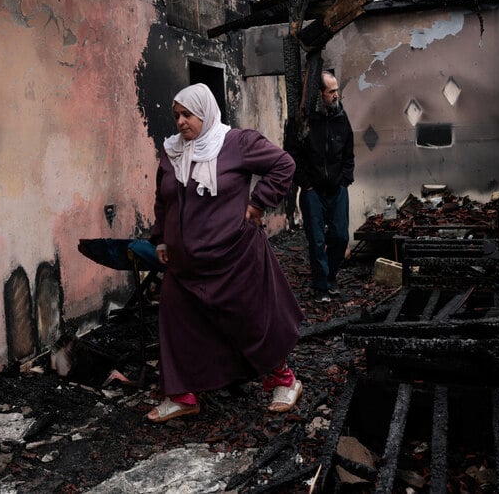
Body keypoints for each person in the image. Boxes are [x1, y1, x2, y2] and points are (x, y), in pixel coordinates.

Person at [146, 83, 304, 423]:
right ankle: (183, 395)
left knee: (251, 321)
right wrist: (160, 239)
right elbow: (163, 199)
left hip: (234, 257)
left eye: (188, 114)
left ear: (205, 112)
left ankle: (283, 380)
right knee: (179, 325)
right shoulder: (172, 152)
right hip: (184, 266)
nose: (181, 122)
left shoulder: (236, 143)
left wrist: (258, 203)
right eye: (176, 115)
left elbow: (284, 164)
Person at [285, 71, 355, 296]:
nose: (336, 95)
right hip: (312, 190)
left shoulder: (341, 117)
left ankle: (330, 276)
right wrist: (305, 184)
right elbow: (291, 154)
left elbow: (349, 152)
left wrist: (345, 180)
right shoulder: (302, 121)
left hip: (337, 188)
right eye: (331, 91)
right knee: (316, 240)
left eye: (337, 90)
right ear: (319, 94)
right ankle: (321, 287)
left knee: (341, 236)